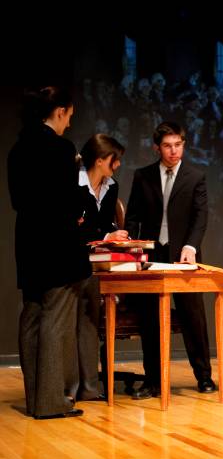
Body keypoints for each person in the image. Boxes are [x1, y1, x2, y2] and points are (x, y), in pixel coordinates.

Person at [6, 86, 88, 419]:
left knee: (32, 318)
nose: (69, 122)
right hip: (58, 246)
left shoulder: (17, 149)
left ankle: (35, 398)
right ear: (59, 111)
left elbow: (18, 202)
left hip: (29, 245)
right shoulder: (60, 148)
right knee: (56, 322)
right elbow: (69, 202)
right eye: (69, 115)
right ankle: (52, 401)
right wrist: (80, 207)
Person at [124, 121, 216, 398]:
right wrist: (130, 244)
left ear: (183, 145)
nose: (173, 151)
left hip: (184, 255)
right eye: (167, 146)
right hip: (153, 254)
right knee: (150, 318)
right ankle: (153, 381)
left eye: (178, 145)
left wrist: (191, 246)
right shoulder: (143, 176)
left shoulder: (195, 176)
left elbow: (201, 216)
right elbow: (133, 215)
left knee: (193, 317)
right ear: (157, 148)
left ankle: (204, 377)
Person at [75, 134, 128, 401]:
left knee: (89, 324)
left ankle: (90, 387)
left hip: (98, 265)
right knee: (70, 324)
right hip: (70, 262)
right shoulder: (72, 183)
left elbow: (106, 226)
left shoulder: (112, 187)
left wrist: (116, 235)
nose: (117, 165)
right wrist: (106, 236)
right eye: (114, 160)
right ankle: (69, 388)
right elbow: (72, 227)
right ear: (99, 160)